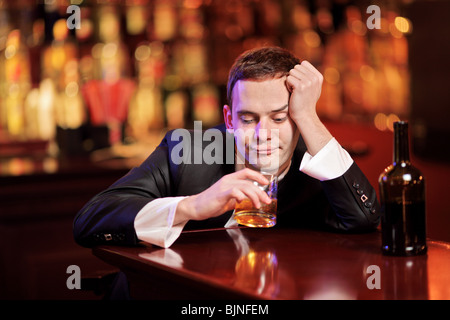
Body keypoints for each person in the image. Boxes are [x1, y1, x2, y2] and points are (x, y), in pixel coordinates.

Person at [73, 46, 380, 250]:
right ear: (229, 118)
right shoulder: (188, 150)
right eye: (248, 119)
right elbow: (90, 220)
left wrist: (308, 116)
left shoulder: (317, 166)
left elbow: (365, 219)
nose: (263, 134)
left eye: (280, 117)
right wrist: (191, 206)